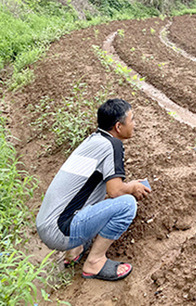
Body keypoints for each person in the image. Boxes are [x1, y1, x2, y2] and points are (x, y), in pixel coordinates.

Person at [36, 98, 150, 281]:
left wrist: (128, 185)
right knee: (127, 204)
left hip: (46, 223)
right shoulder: (113, 144)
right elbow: (116, 191)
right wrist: (133, 187)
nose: (135, 124)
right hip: (59, 231)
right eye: (132, 120)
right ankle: (94, 263)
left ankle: (74, 251)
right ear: (118, 127)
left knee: (96, 196)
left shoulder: (93, 140)